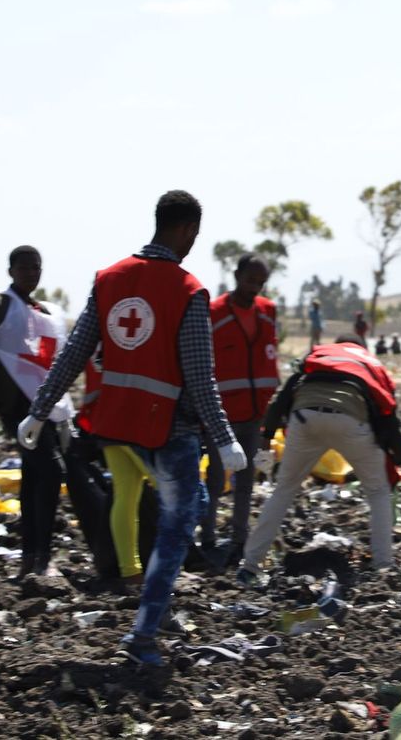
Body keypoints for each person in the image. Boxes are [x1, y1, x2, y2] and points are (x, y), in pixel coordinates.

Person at [22, 190, 246, 667]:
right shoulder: (188, 291)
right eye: (194, 236)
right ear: (187, 230)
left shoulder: (109, 280)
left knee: (183, 504)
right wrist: (225, 438)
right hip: (169, 429)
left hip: (116, 424)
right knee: (176, 528)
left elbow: (74, 351)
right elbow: (200, 376)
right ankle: (143, 636)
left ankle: (158, 609)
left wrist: (39, 409)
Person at [0, 246, 115, 581]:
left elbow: (57, 361)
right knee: (48, 474)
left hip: (49, 407)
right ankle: (40, 557)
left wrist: (64, 412)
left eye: (36, 268)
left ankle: (32, 556)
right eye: (23, 268)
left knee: (36, 477)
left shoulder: (48, 313)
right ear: (11, 271)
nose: (30, 274)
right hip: (17, 407)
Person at [238, 336, 401, 583]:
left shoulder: (318, 358)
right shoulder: (368, 364)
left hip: (304, 417)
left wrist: (265, 447)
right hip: (350, 419)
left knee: (284, 489)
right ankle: (383, 566)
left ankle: (250, 566)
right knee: (378, 491)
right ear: (361, 348)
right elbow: (388, 418)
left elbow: (280, 401)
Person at [201, 253, 279, 568]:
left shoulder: (268, 312)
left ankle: (238, 539)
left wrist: (274, 408)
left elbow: (270, 359)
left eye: (260, 283)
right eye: (250, 281)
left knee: (246, 479)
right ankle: (206, 537)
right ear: (236, 275)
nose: (254, 288)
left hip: (254, 411)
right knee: (216, 477)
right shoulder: (213, 313)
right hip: (221, 413)